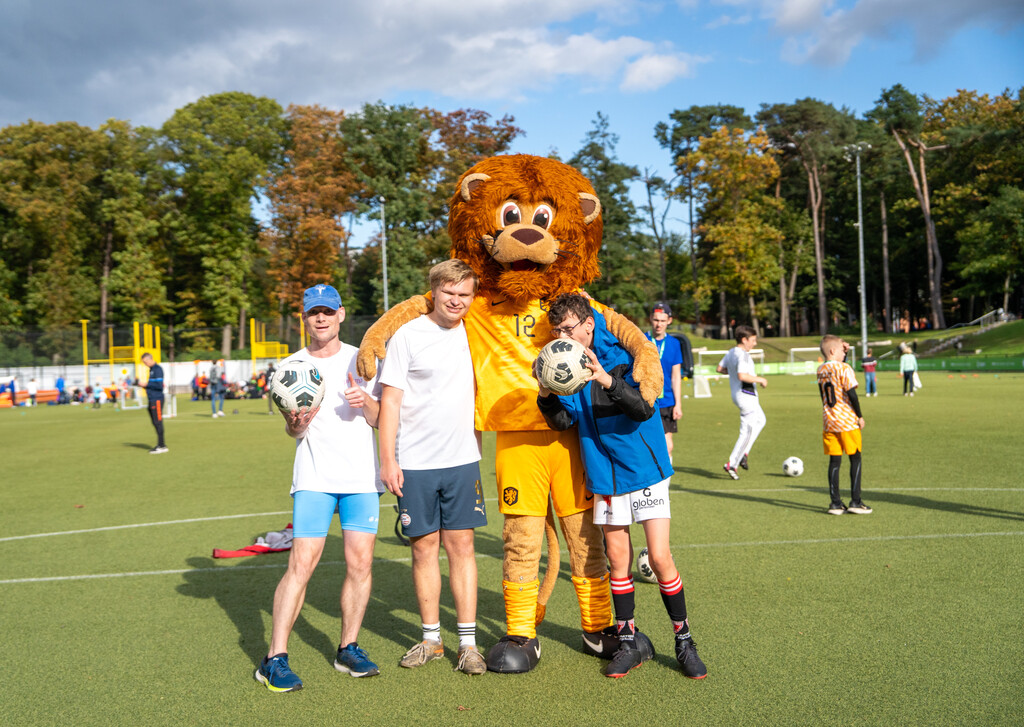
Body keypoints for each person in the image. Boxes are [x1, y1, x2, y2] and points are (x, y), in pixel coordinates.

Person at [534, 293, 706, 680]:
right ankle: (627, 642)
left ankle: (684, 642)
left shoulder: (625, 353)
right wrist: (546, 395)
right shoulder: (567, 365)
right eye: (555, 330)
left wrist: (606, 377)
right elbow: (564, 422)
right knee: (618, 560)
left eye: (567, 328)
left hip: (643, 470)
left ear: (588, 325)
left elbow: (644, 407)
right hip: (606, 476)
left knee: (659, 557)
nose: (560, 335)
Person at [254, 283, 384, 693]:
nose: (322, 318)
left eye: (329, 311)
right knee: (301, 565)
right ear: (305, 318)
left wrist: (366, 401)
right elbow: (292, 430)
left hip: (363, 479)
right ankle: (274, 658)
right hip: (314, 479)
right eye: (314, 312)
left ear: (342, 314)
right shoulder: (291, 366)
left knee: (360, 565)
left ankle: (348, 647)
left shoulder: (362, 361)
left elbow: (383, 418)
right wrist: (295, 424)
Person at [377, 260, 487, 676]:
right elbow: (389, 402)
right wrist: (388, 460)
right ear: (434, 292)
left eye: (464, 295)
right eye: (449, 293)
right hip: (415, 465)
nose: (456, 301)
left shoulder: (475, 333)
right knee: (423, 549)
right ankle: (431, 639)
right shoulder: (408, 334)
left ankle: (468, 644)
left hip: (461, 462)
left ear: (472, 297)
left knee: (462, 548)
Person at [817, 335, 871, 515]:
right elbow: (852, 394)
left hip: (829, 421)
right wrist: (860, 415)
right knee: (855, 458)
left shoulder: (821, 369)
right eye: (841, 349)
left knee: (834, 461)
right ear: (833, 351)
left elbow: (833, 375)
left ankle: (835, 503)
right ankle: (855, 501)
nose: (844, 352)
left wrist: (844, 353)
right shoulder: (845, 368)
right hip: (847, 421)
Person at [716, 325, 767, 479]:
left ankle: (744, 453)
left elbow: (720, 368)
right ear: (744, 340)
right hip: (746, 396)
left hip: (739, 395)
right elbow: (742, 375)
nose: (755, 343)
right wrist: (761, 379)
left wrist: (731, 372)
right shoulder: (743, 355)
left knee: (761, 420)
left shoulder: (731, 352)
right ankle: (732, 464)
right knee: (746, 432)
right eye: (753, 340)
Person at [645, 302, 683, 460]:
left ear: (669, 321)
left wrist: (678, 404)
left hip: (667, 401)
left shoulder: (674, 344)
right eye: (656, 320)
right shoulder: (642, 340)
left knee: (668, 446)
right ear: (650, 319)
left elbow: (676, 376)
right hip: (645, 400)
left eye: (662, 320)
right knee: (647, 445)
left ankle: (664, 485)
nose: (658, 324)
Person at [139, 353, 167, 454]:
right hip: (151, 399)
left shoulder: (157, 369)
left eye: (145, 362)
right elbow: (153, 385)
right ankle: (161, 444)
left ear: (150, 359)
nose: (145, 364)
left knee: (158, 422)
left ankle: (162, 445)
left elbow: (159, 385)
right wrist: (144, 386)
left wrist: (146, 384)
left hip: (157, 399)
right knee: (155, 422)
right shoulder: (151, 370)